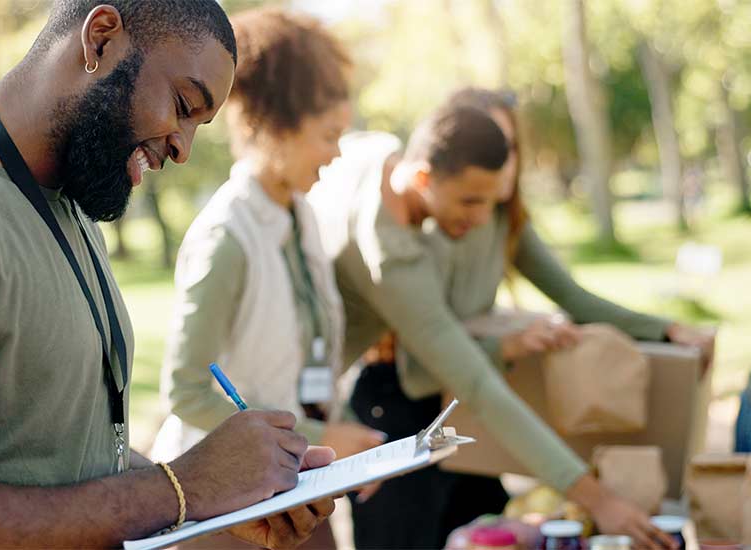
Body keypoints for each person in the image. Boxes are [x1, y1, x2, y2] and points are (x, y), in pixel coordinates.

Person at [0, 2, 338, 548]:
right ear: (101, 39)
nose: (182, 147)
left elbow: (64, 455)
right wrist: (181, 489)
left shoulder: (71, 211)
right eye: (182, 105)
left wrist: (219, 499)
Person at [307, 104, 678, 549]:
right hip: (297, 397)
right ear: (423, 178)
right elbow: (479, 386)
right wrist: (600, 502)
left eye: (490, 201)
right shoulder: (390, 254)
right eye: (470, 201)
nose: (483, 219)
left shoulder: (384, 155)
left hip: (331, 388)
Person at [149, 9, 385, 547]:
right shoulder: (226, 239)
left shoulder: (302, 219)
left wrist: (348, 436)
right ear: (277, 128)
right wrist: (326, 438)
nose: (337, 153)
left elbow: (310, 365)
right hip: (226, 510)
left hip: (294, 489)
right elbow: (186, 393)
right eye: (328, 135)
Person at [439, 87, 716, 370]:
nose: (503, 164)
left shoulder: (506, 219)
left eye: (508, 148)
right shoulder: (434, 226)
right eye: (486, 151)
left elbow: (572, 296)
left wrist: (666, 329)